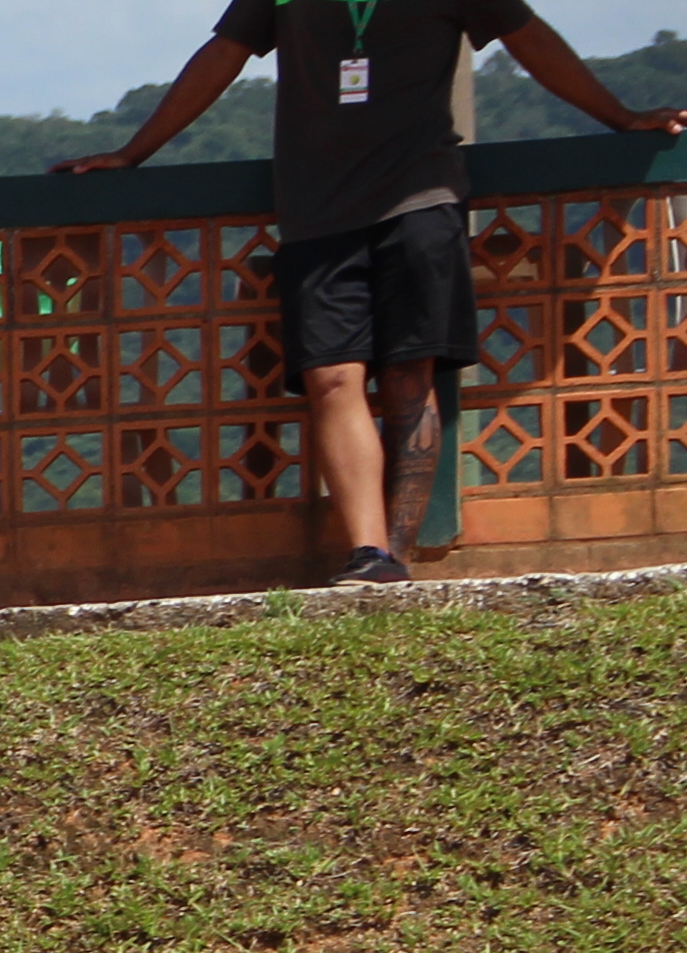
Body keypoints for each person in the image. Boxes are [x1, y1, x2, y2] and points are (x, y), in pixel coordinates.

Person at [61, 3, 685, 581]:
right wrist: (133, 151)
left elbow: (529, 40)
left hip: (419, 198)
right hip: (316, 212)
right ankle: (369, 551)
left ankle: (398, 555)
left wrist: (622, 118)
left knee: (410, 375)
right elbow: (221, 55)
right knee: (331, 378)